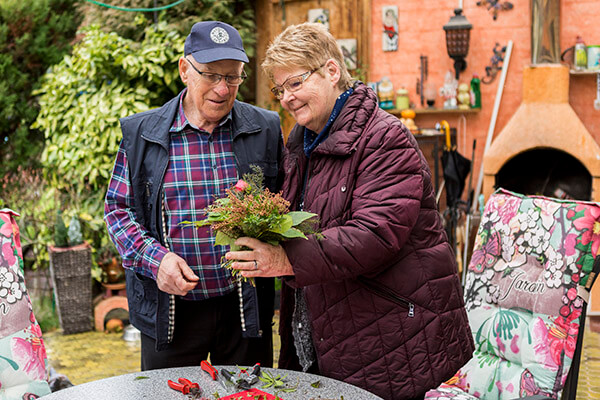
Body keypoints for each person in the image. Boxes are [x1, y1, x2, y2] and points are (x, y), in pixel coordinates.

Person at [225, 23, 474, 400]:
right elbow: (305, 221)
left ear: (331, 71)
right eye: (280, 89)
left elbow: (375, 233)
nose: (286, 98)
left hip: (395, 336)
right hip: (334, 333)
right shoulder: (303, 142)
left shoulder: (385, 137)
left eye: (295, 83)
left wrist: (284, 259)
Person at [104, 21, 283, 371]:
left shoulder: (265, 128)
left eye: (232, 77)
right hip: (170, 311)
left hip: (244, 309)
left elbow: (286, 202)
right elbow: (118, 211)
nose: (222, 88)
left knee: (251, 395)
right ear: (185, 69)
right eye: (211, 75)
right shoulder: (142, 133)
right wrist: (156, 261)